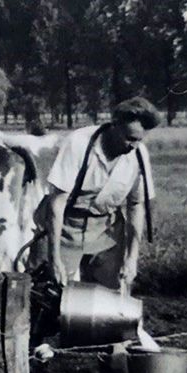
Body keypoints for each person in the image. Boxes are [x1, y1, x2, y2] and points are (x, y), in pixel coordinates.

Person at [38, 96, 161, 295]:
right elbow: (57, 202)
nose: (134, 146)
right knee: (51, 292)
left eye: (139, 140)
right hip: (66, 225)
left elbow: (136, 205)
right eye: (130, 138)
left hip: (106, 229)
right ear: (114, 125)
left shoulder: (138, 155)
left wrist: (132, 258)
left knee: (109, 297)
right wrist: (54, 258)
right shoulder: (78, 143)